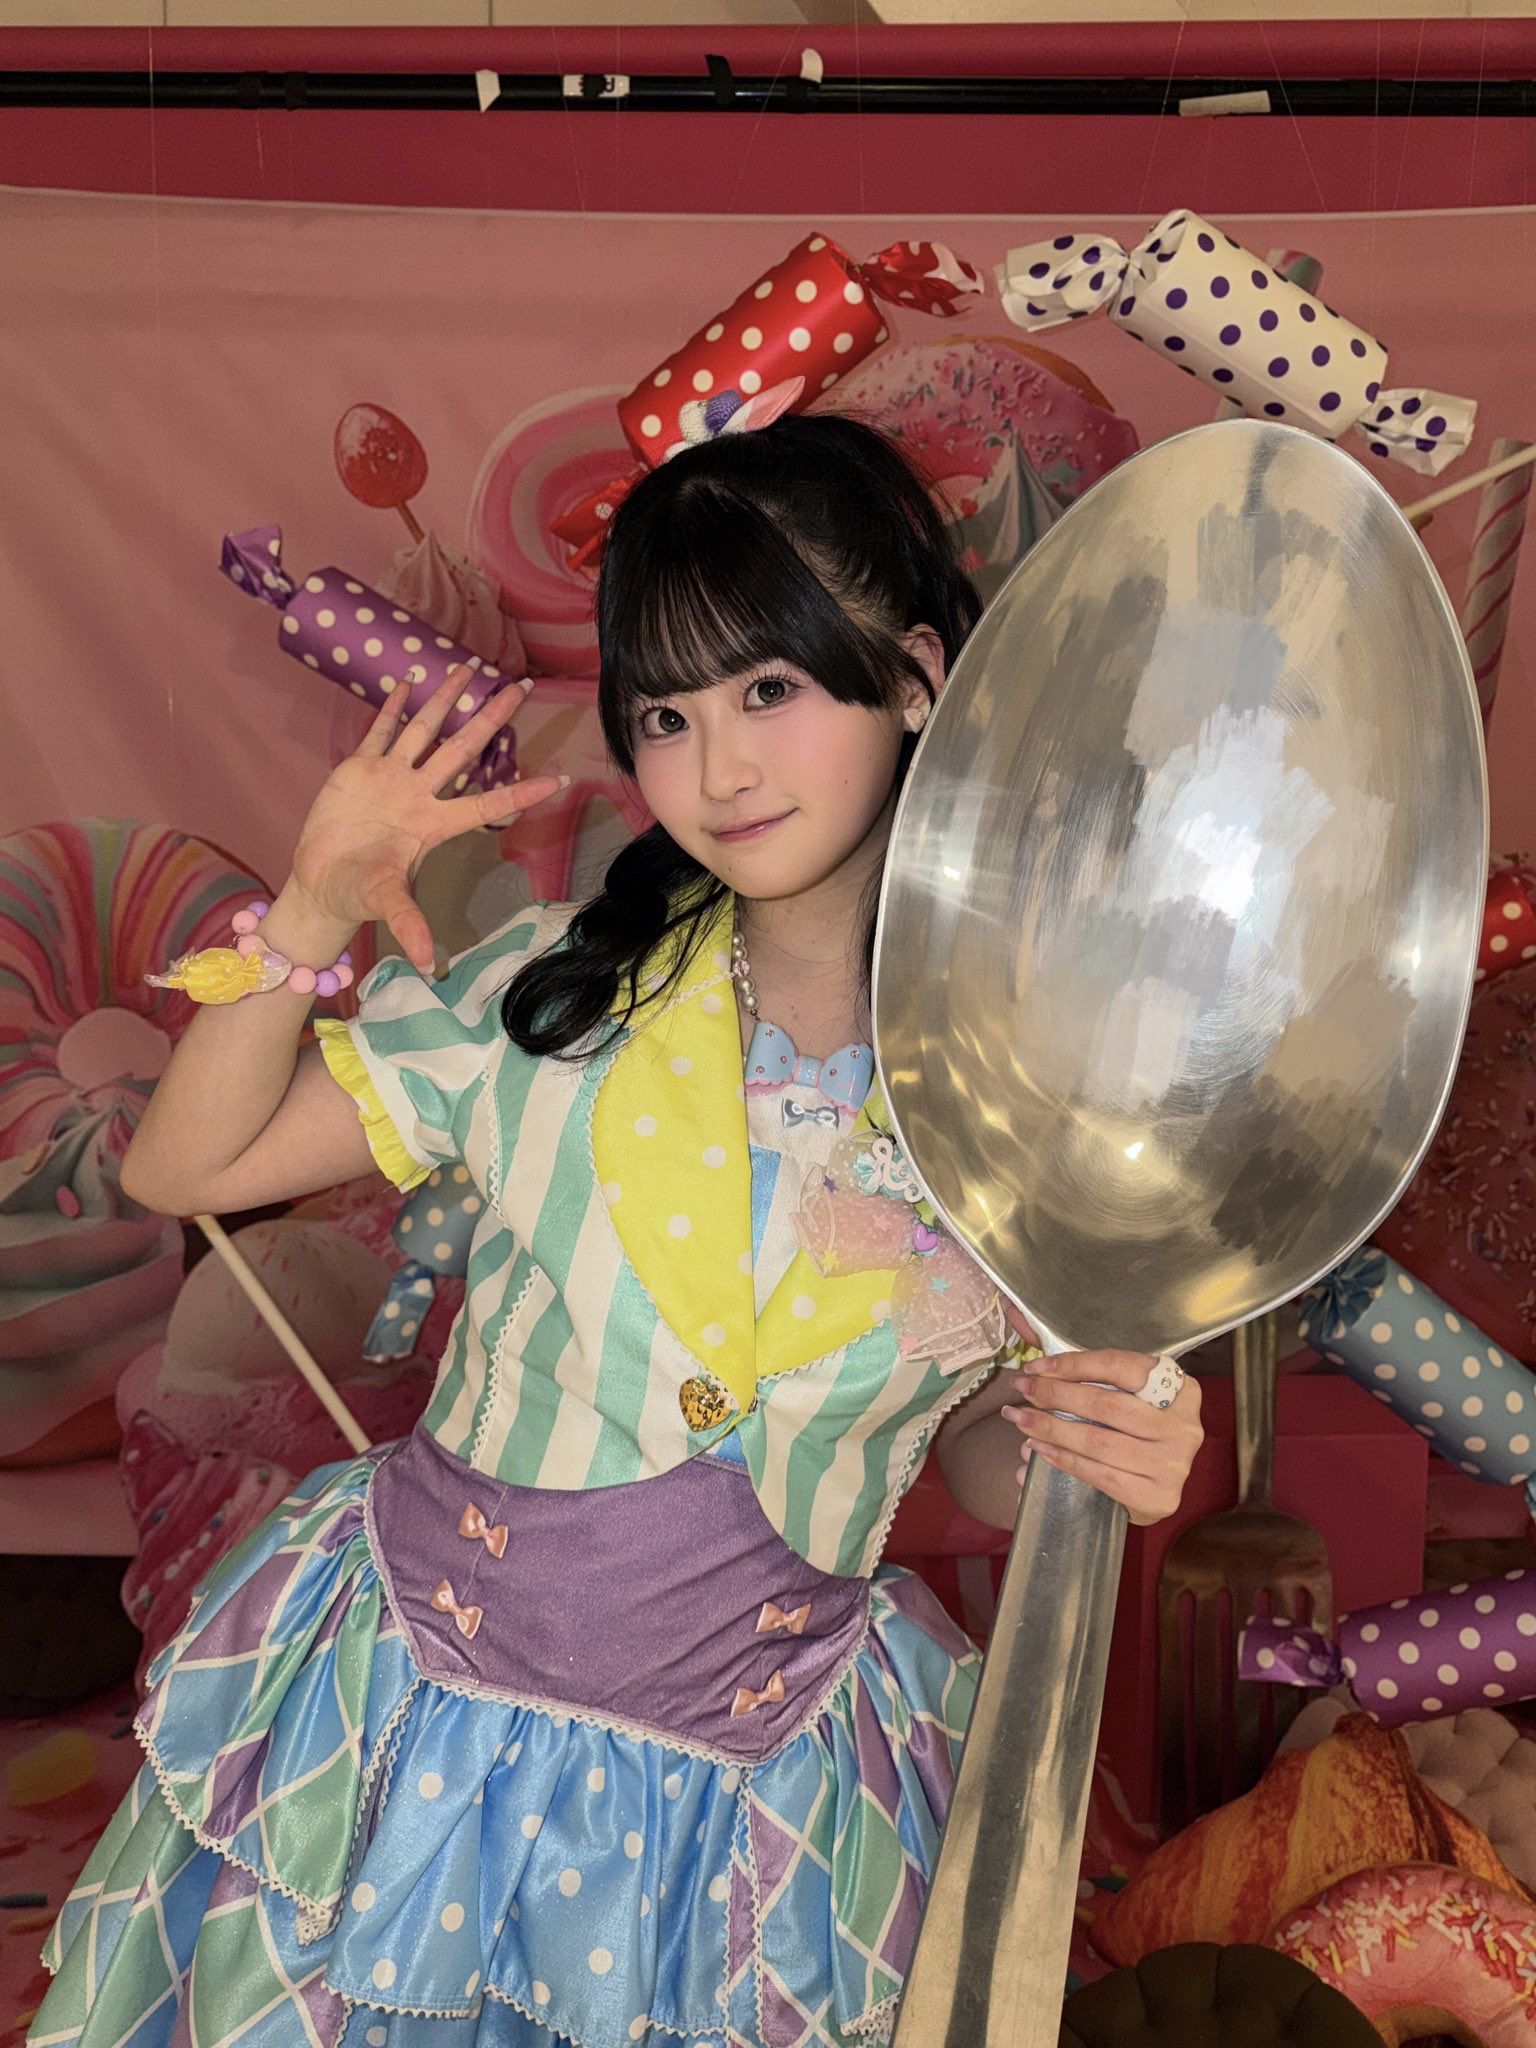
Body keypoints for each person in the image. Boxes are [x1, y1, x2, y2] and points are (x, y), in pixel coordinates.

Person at [34, 412, 1202, 2048]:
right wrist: (307, 908)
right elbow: (185, 1165)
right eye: (666, 713)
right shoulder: (553, 995)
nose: (718, 770)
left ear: (916, 678)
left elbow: (969, 1458)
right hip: (415, 1755)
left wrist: (1098, 1440)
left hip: (752, 1820)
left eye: (771, 689)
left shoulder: (1032, 1089)